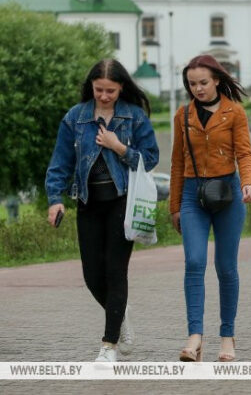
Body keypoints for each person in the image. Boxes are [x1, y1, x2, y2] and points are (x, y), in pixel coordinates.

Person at [45, 59, 159, 362]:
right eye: (99, 90)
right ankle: (120, 313)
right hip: (88, 203)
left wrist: (118, 146)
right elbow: (60, 163)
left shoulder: (133, 116)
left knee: (115, 271)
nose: (104, 96)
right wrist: (55, 199)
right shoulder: (75, 117)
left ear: (121, 88)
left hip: (122, 200)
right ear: (91, 87)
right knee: (92, 275)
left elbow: (150, 158)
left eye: (111, 90)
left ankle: (109, 346)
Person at [170, 55, 251, 362]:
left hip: (228, 194)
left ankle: (227, 336)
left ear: (217, 80)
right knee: (194, 262)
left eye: (203, 82)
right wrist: (175, 206)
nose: (198, 89)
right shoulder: (183, 115)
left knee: (226, 267)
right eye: (192, 84)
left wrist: (249, 183)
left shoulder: (235, 113)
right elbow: (177, 162)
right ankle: (194, 337)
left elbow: (244, 154)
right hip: (192, 195)